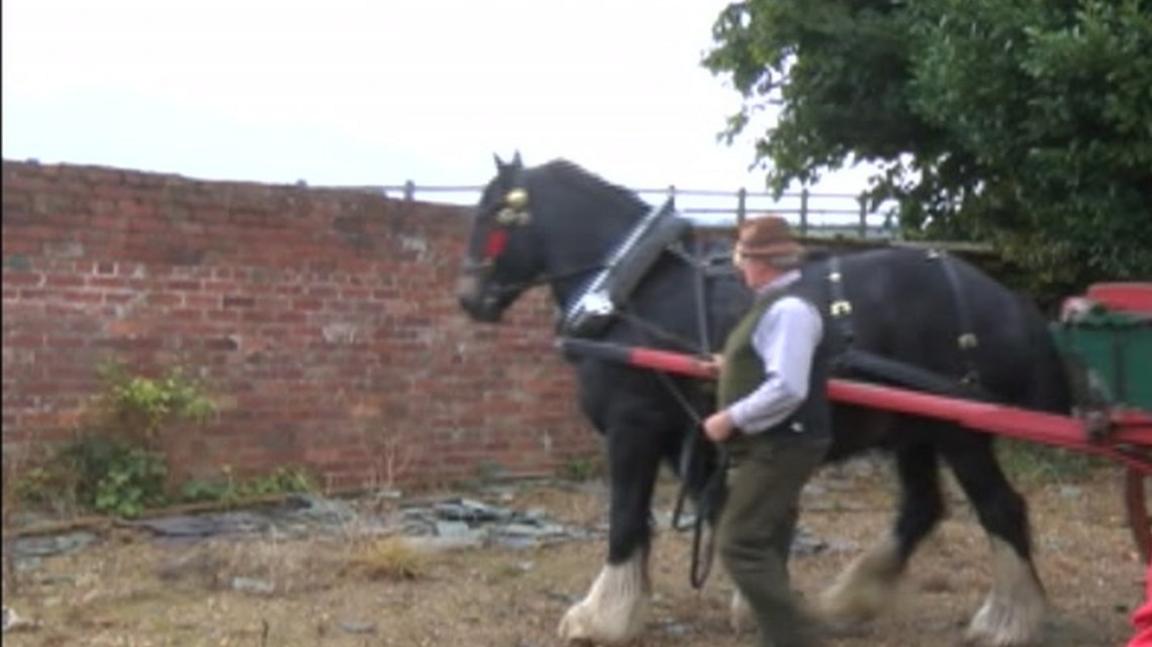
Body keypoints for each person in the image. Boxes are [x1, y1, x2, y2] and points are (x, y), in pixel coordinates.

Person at [703, 215, 832, 647]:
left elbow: (787, 387)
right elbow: (770, 363)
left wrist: (730, 418)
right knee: (769, 535)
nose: (738, 266)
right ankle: (783, 633)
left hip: (782, 444)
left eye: (743, 258)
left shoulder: (789, 309)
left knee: (739, 542)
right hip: (776, 442)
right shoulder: (773, 303)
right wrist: (733, 366)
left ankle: (793, 637)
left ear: (766, 263)